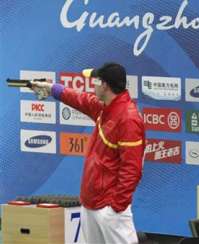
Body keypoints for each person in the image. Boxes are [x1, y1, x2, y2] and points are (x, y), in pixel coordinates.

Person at [32, 62, 145, 244]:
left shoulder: (128, 118)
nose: (92, 85)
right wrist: (52, 88)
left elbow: (132, 170)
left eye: (96, 80)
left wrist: (116, 206)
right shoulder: (105, 107)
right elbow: (79, 99)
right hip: (91, 203)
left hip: (110, 209)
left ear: (105, 85)